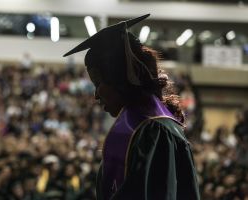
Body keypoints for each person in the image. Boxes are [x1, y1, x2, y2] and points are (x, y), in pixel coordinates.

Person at [64, 14, 200, 200]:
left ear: (119, 79)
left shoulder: (154, 131)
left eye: (98, 83)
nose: (96, 95)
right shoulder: (141, 128)